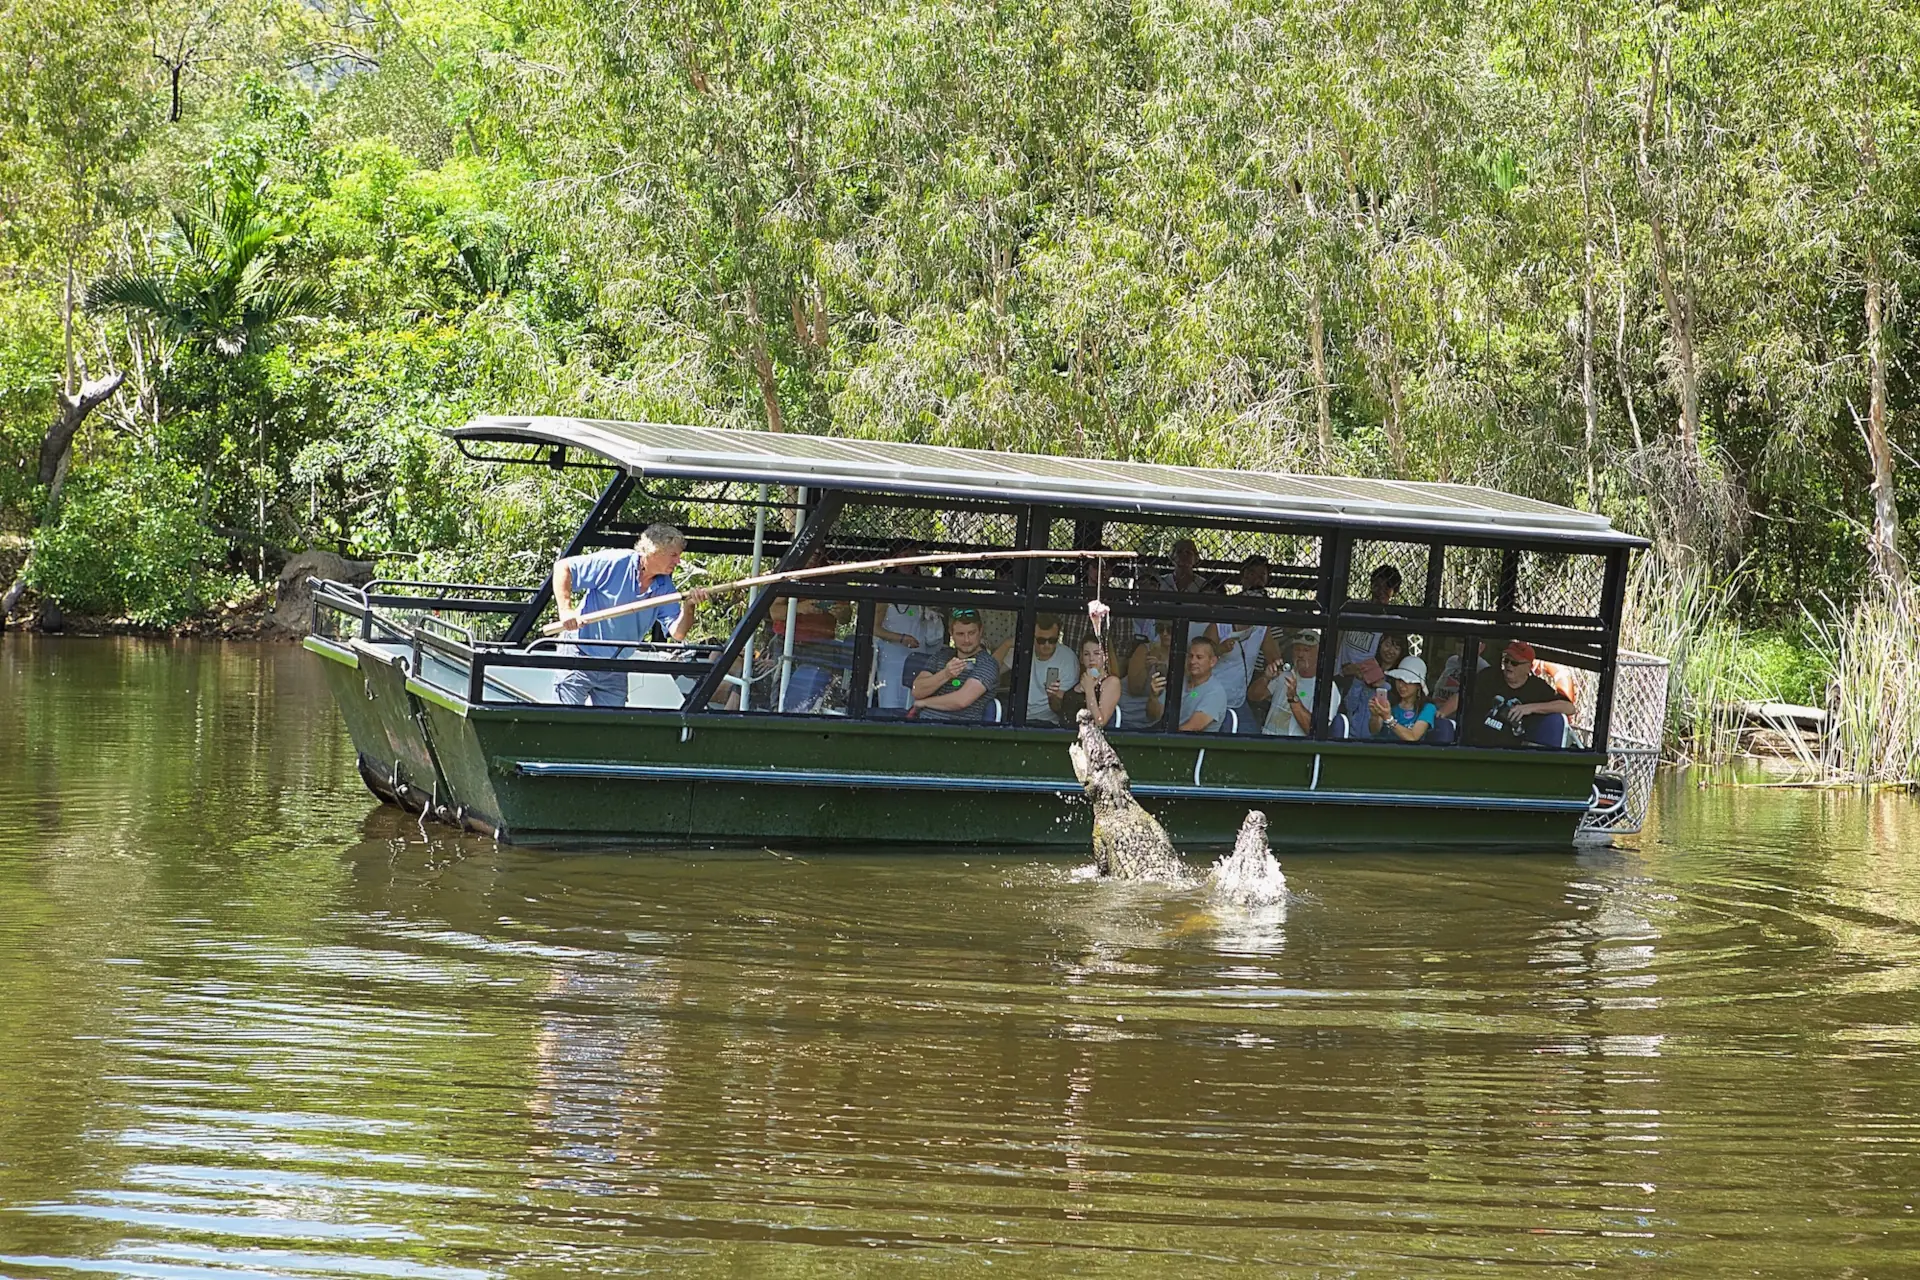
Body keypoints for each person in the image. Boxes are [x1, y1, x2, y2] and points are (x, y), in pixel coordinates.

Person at [553, 524, 706, 706]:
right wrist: (566, 610)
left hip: (616, 664)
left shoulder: (665, 587)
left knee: (613, 722)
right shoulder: (616, 562)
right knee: (565, 718)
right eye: (673, 555)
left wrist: (689, 607)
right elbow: (563, 567)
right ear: (654, 550)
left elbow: (678, 633)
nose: (678, 561)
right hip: (578, 653)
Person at [768, 549, 853, 712]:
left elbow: (846, 617)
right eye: (811, 551)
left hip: (822, 646)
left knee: (814, 697)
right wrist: (800, 608)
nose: (814, 555)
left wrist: (840, 612)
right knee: (780, 695)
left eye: (818, 551)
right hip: (789, 643)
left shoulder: (833, 574)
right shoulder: (788, 571)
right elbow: (775, 612)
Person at [870, 543, 946, 710]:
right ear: (894, 558)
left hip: (918, 655)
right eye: (905, 556)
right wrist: (901, 638)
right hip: (892, 658)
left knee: (913, 703)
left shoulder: (919, 588)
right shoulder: (883, 589)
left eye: (913, 557)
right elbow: (873, 628)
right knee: (891, 701)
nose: (909, 562)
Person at [1464, 640, 1577, 747]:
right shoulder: (1488, 676)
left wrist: (1530, 708)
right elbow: (1464, 695)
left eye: (1514, 663)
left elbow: (1569, 708)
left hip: (1510, 750)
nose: (1508, 665)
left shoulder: (1537, 687)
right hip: (1475, 743)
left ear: (1528, 668)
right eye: (1506, 661)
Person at [911, 609, 1001, 722]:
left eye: (971, 633)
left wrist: (924, 702)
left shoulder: (988, 663)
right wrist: (945, 674)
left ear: (980, 631)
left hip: (957, 728)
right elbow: (917, 690)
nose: (966, 640)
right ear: (951, 633)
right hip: (921, 723)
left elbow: (961, 700)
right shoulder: (941, 656)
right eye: (960, 634)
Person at [995, 614, 1079, 725]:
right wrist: (1007, 645)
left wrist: (1052, 696)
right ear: (1031, 637)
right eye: (1041, 640)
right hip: (1015, 717)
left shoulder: (1068, 659)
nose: (1047, 645)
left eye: (1052, 640)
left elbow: (1061, 708)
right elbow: (990, 672)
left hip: (1047, 722)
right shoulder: (1023, 648)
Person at [1334, 563, 1403, 685]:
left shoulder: (1393, 620)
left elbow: (1390, 655)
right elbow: (1337, 637)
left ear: (1394, 591)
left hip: (1369, 679)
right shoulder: (1353, 608)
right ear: (1371, 585)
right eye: (1377, 586)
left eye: (1386, 588)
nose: (1380, 591)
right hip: (1341, 673)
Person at [1146, 634, 1228, 733]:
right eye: (1190, 656)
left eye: (1199, 657)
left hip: (1188, 741)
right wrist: (1153, 697)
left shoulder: (1215, 692)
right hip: (1166, 736)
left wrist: (1163, 738)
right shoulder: (1179, 681)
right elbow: (1153, 716)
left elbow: (1192, 728)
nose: (1192, 661)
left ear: (1212, 661)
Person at [1258, 631, 1319, 737]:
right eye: (1297, 649)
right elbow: (1254, 697)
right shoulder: (1283, 674)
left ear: (1319, 654)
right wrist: (1266, 678)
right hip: (1266, 739)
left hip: (1293, 745)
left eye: (1306, 650)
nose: (1300, 654)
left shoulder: (1327, 687)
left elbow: (1315, 731)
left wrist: (1293, 698)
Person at [1340, 631, 1410, 723]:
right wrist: (1358, 681)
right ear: (1380, 644)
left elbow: (1398, 707)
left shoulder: (1400, 678)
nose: (1390, 651)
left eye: (1397, 648)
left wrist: (1383, 686)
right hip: (1354, 730)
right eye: (1387, 645)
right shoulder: (1368, 667)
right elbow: (1350, 706)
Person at [1367, 655, 1437, 743]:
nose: (1401, 685)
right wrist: (1375, 716)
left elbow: (1413, 737)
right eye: (1399, 680)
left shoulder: (1428, 708)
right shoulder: (1389, 702)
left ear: (1418, 686)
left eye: (1407, 682)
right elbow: (1374, 731)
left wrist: (1388, 719)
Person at [1058, 636, 1122, 728]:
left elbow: (1099, 722)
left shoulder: (1111, 682)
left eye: (1097, 653)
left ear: (1105, 657)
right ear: (1082, 658)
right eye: (1086, 654)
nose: (1091, 658)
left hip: (1091, 735)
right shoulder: (1079, 680)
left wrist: (1089, 689)